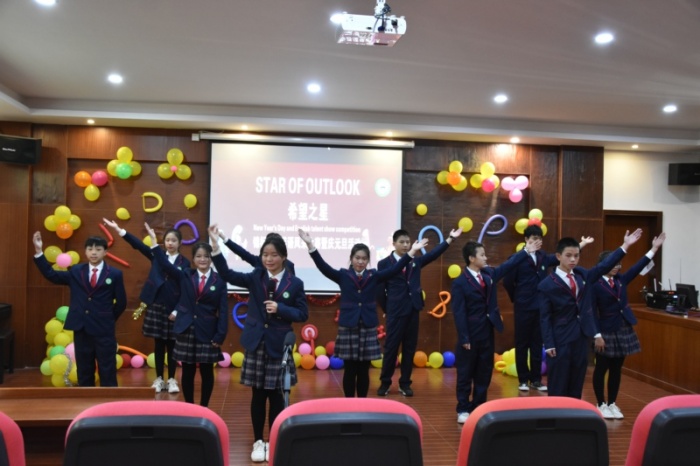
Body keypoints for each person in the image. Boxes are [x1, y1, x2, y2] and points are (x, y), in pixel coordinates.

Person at [209, 225, 307, 463]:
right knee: (258, 395)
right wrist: (215, 246)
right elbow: (228, 274)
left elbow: (302, 314)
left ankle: (273, 440)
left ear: (283, 257)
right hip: (256, 343)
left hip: (278, 344)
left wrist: (280, 308)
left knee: (276, 396)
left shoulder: (295, 283)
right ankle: (258, 441)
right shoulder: (256, 277)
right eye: (265, 255)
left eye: (274, 255)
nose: (269, 259)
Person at [298, 228, 428, 398]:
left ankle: (362, 403)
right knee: (350, 369)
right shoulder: (343, 275)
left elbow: (396, 269)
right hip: (349, 326)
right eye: (357, 258)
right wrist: (310, 245)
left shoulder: (374, 276)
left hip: (367, 326)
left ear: (368, 261)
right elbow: (323, 267)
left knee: (364, 369)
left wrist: (411, 253)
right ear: (351, 259)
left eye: (364, 259)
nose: (360, 261)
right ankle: (348, 403)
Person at [538, 228, 642, 399]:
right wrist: (548, 344)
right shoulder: (546, 284)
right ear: (558, 256)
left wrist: (625, 246)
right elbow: (545, 317)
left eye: (576, 256)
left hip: (581, 336)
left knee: (577, 382)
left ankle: (575, 413)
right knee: (558, 383)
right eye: (568, 255)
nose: (573, 260)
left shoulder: (582, 275)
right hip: (560, 338)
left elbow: (603, 266)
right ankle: (557, 413)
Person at [452, 237, 542, 424]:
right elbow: (459, 313)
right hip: (470, 333)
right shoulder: (460, 282)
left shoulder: (488, 275)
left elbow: (508, 266)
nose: (486, 258)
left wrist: (526, 251)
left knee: (484, 371)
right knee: (466, 372)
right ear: (471, 258)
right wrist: (464, 337)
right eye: (482, 255)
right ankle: (463, 408)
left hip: (487, 331)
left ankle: (478, 406)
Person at [503, 226, 594, 392]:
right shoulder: (517, 258)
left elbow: (564, 255)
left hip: (541, 307)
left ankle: (536, 379)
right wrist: (517, 298)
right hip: (523, 307)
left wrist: (582, 243)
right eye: (533, 239)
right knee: (522, 343)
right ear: (526, 240)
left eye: (539, 239)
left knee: (537, 343)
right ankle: (523, 379)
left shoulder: (543, 256)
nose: (536, 242)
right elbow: (508, 281)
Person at [103, 218, 189, 394]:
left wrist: (177, 310)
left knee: (173, 345)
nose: (170, 243)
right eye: (167, 240)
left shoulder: (185, 263)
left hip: (173, 307)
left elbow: (185, 288)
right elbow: (138, 245)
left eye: (174, 240)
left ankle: (172, 380)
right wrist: (119, 230)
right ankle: (159, 379)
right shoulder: (156, 254)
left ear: (180, 243)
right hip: (156, 304)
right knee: (158, 344)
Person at [147, 223, 228, 408]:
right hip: (186, 329)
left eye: (206, 256)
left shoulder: (219, 281)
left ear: (211, 259)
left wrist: (220, 335)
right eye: (198, 256)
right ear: (193, 259)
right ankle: (190, 407)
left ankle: (204, 407)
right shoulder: (185, 275)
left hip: (208, 331)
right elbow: (165, 265)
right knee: (188, 371)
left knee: (207, 371)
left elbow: (223, 311)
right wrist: (154, 243)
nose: (202, 259)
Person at [32, 231, 126, 386]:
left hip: (104, 330)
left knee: (107, 368)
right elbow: (51, 275)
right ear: (85, 252)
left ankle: (109, 400)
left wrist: (107, 318)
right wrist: (38, 251)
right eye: (90, 249)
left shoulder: (115, 274)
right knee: (84, 369)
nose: (94, 253)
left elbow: (121, 302)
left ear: (105, 252)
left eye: (98, 249)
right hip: (81, 328)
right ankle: (86, 399)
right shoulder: (76, 271)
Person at [377, 227, 463, 397]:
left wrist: (450, 239)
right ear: (394, 244)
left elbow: (433, 255)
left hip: (413, 309)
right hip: (395, 312)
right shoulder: (384, 263)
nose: (405, 245)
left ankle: (405, 383)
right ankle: (385, 383)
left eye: (407, 242)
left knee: (409, 349)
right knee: (391, 348)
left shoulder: (415, 261)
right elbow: (380, 291)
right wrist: (387, 309)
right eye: (401, 242)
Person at [592, 232, 666, 419]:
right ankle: (600, 403)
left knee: (617, 368)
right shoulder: (594, 284)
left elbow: (638, 266)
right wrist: (597, 335)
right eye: (613, 264)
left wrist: (654, 248)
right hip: (605, 330)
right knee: (602, 368)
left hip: (623, 327)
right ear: (604, 265)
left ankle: (612, 403)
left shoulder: (621, 280)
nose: (617, 267)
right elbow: (591, 312)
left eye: (618, 264)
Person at [216, 230, 295, 275]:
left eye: (274, 254)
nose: (269, 259)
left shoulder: (289, 265)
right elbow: (242, 253)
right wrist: (224, 238)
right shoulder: (259, 261)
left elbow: (293, 289)